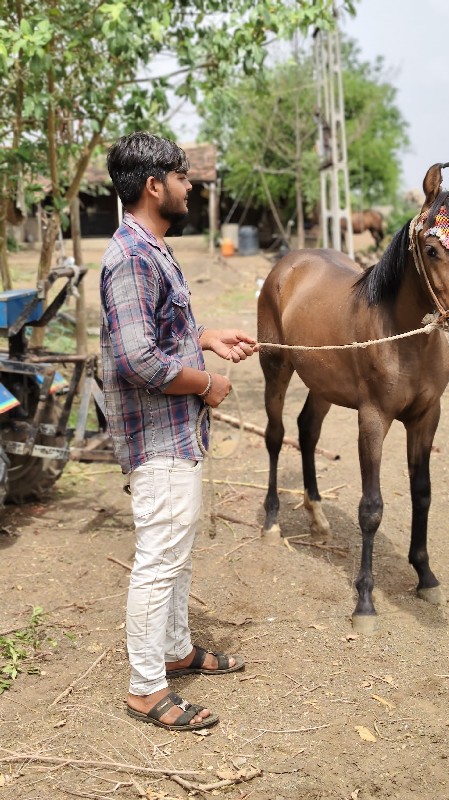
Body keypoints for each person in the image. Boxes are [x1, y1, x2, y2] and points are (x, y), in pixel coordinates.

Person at [100, 132, 258, 732]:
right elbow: (138, 360)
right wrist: (205, 383)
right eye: (182, 176)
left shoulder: (152, 248)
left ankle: (175, 649)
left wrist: (206, 337)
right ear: (153, 185)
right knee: (159, 558)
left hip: (177, 434)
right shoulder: (130, 256)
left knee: (178, 552)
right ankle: (145, 688)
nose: (190, 185)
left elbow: (159, 333)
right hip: (157, 436)